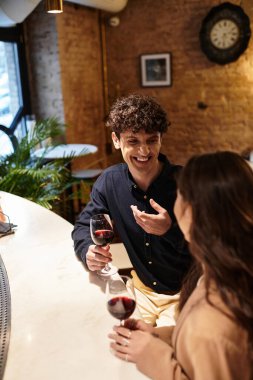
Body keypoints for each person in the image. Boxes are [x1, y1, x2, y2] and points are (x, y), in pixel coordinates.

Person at [108, 151, 253, 380]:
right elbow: (203, 351)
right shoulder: (224, 275)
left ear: (194, 216)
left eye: (180, 196)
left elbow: (209, 340)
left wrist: (154, 356)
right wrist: (160, 336)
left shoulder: (212, 325)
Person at [72, 94, 192, 326]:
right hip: (141, 291)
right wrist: (88, 250)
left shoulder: (186, 182)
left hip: (185, 294)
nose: (144, 151)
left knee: (163, 352)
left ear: (161, 139)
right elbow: (82, 226)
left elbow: (212, 247)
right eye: (133, 141)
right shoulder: (109, 182)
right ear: (116, 140)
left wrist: (170, 230)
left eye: (151, 140)